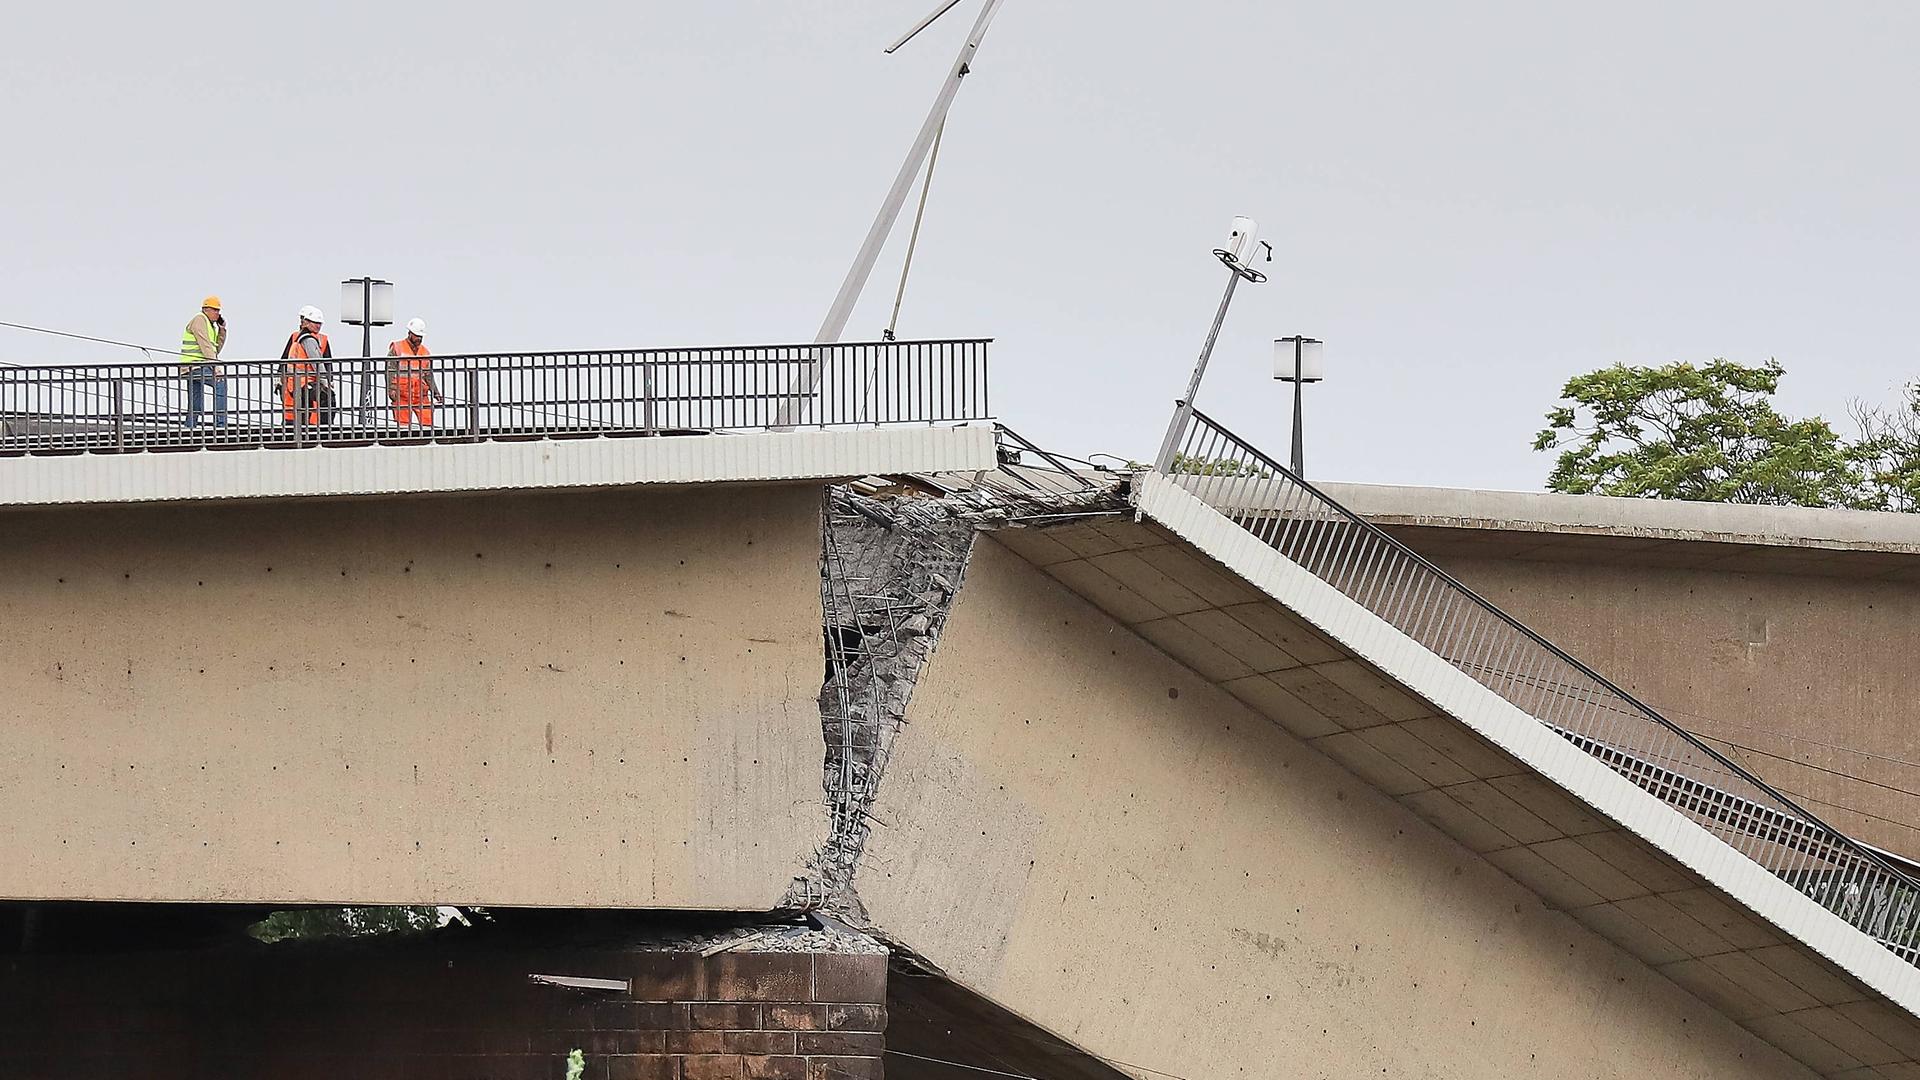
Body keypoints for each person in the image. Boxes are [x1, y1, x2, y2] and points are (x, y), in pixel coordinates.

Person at [280, 306, 333, 429]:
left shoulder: (300, 339)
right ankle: (327, 429)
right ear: (306, 322)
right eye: (315, 323)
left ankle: (304, 431)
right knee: (326, 397)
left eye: (320, 323)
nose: (318, 326)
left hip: (297, 383)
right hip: (304, 382)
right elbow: (317, 363)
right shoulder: (308, 339)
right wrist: (326, 382)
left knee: (304, 410)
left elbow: (327, 363)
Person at [180, 296, 228, 428]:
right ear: (206, 309)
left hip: (193, 367)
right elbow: (205, 345)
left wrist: (222, 330)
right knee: (220, 382)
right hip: (195, 365)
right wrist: (216, 368)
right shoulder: (199, 319)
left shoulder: (211, 326)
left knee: (195, 398)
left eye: (218, 311)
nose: (218, 313)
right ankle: (220, 424)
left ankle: (190, 426)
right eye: (215, 310)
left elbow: (215, 348)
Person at [386, 317, 441, 428]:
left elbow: (428, 375)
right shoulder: (397, 348)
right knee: (403, 428)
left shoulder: (425, 352)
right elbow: (389, 370)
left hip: (420, 395)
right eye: (416, 336)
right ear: (409, 333)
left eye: (420, 336)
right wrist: (390, 389)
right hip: (401, 395)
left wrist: (436, 392)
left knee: (428, 426)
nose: (419, 339)